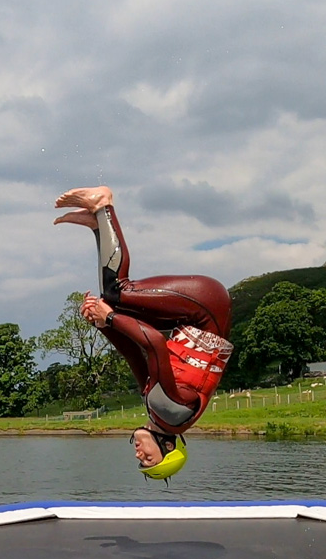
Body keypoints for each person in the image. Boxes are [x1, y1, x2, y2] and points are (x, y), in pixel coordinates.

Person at [54, 186, 233, 481]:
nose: (139, 454)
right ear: (166, 446)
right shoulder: (171, 414)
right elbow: (154, 343)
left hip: (197, 314)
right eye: (149, 457)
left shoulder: (159, 411)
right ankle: (103, 206)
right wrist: (109, 317)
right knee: (117, 293)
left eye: (141, 460)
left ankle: (99, 226)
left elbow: (133, 353)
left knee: (112, 300)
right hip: (205, 306)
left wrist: (101, 323)